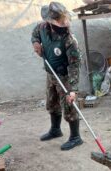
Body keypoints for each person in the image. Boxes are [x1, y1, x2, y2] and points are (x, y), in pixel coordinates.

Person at [31, 2, 82, 151]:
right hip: (50, 73)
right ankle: (55, 130)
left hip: (65, 76)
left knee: (69, 105)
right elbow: (34, 34)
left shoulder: (69, 39)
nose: (63, 26)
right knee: (52, 102)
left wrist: (72, 89)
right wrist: (36, 43)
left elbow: (75, 65)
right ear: (50, 22)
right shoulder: (42, 28)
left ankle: (75, 137)